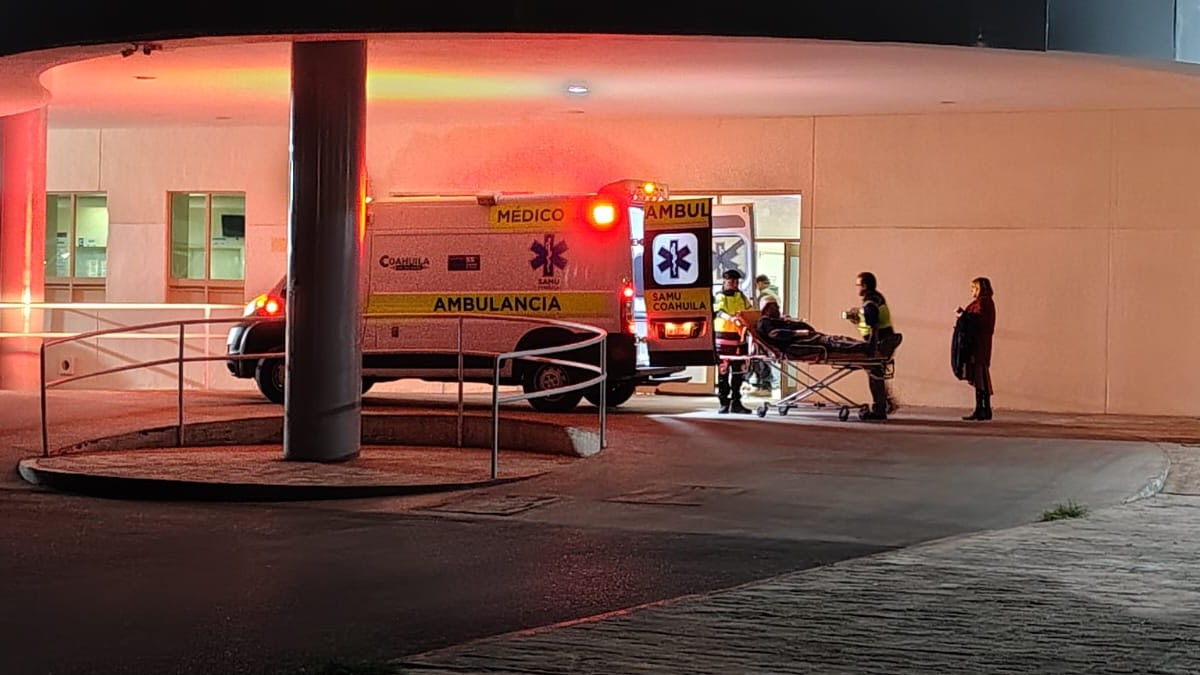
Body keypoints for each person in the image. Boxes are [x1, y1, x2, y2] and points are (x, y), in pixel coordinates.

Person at [843, 271, 897, 420]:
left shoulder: (870, 302)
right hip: (887, 340)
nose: (857, 288)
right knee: (877, 374)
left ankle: (879, 409)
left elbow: (874, 326)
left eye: (858, 285)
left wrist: (871, 349)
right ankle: (885, 404)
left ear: (865, 286)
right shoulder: (877, 297)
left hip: (881, 342)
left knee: (875, 374)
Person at [953, 276, 996, 421]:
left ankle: (983, 409)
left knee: (980, 377)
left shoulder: (984, 303)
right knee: (980, 377)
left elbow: (979, 321)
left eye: (974, 288)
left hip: (979, 346)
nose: (972, 291)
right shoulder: (981, 303)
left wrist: (964, 315)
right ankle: (983, 409)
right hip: (978, 345)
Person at [712, 268, 753, 414]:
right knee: (723, 371)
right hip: (723, 337)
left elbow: (749, 311)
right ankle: (723, 402)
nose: (734, 284)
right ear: (724, 281)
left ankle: (736, 401)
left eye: (736, 282)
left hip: (739, 338)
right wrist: (731, 318)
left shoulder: (741, 297)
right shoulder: (719, 296)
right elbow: (718, 311)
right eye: (731, 281)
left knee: (738, 372)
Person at [749, 274, 781, 395]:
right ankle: (761, 384)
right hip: (772, 328)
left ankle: (764, 386)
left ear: (760, 283)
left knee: (761, 358)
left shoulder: (764, 295)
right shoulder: (774, 293)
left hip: (765, 332)